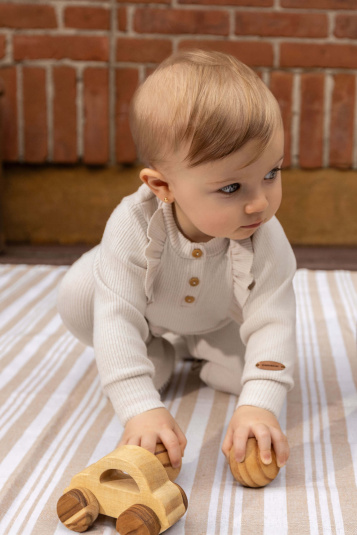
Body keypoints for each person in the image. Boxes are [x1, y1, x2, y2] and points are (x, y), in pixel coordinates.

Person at [57, 49, 296, 471]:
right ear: (163, 185)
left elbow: (273, 319)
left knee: (246, 377)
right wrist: (139, 408)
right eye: (231, 188)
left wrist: (259, 406)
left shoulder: (264, 237)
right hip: (147, 310)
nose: (260, 203)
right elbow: (115, 316)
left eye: (272, 173)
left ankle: (200, 348)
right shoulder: (132, 224)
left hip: (219, 318)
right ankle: (153, 349)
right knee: (80, 295)